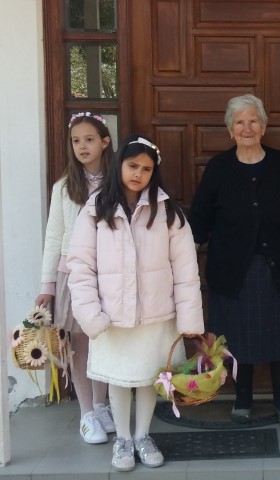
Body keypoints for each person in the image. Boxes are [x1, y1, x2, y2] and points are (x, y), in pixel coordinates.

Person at [67, 135, 205, 472]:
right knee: (118, 378)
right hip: (112, 316)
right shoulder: (96, 208)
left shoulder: (167, 211)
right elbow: (80, 267)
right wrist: (90, 314)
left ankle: (143, 435)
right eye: (132, 166)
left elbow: (186, 269)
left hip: (157, 315)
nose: (138, 174)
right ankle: (123, 439)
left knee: (148, 377)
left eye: (146, 169)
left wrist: (189, 320)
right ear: (119, 165)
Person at [189, 94, 280, 428]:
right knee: (237, 337)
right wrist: (182, 264)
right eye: (240, 122)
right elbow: (199, 221)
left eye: (253, 121)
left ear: (264, 126)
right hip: (233, 270)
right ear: (230, 130)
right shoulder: (218, 168)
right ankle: (242, 398)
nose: (247, 128)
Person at [35, 112, 115, 444]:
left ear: (105, 142)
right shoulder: (64, 187)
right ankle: (86, 413)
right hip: (74, 275)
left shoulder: (118, 182)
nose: (82, 146)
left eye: (89, 139)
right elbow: (54, 236)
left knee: (105, 340)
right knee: (80, 343)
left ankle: (101, 404)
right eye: (76, 140)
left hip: (110, 272)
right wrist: (47, 286)